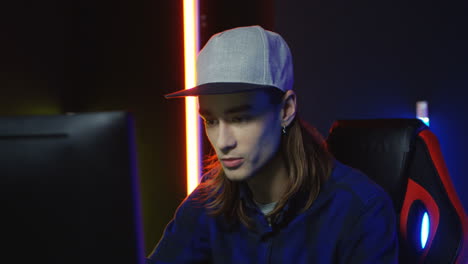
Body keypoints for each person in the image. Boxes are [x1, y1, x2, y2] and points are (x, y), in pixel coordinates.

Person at [146, 25, 398, 263]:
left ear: (286, 109)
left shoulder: (360, 209)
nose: (222, 142)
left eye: (240, 118)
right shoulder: (207, 202)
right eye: (211, 120)